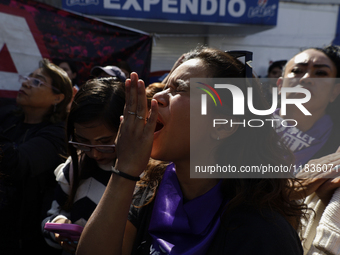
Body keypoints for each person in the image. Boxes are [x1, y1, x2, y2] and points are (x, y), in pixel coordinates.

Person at [77, 47, 305, 255]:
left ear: (223, 125)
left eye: (180, 89)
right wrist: (124, 170)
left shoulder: (262, 233)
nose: (157, 97)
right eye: (165, 86)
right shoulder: (148, 193)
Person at [42, 77, 125, 254]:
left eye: (105, 142)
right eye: (83, 141)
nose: (95, 153)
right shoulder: (74, 166)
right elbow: (52, 214)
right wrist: (59, 225)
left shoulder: (144, 175)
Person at [0, 58, 73, 254]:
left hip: (25, 241)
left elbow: (16, 164)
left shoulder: (57, 134)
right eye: (27, 78)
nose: (25, 83)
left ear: (58, 98)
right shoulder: (8, 119)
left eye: (37, 81)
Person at [274, 45, 340, 254]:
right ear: (279, 84)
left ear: (334, 92)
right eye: (297, 70)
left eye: (321, 73)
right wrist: (289, 190)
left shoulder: (336, 149)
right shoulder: (240, 128)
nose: (306, 78)